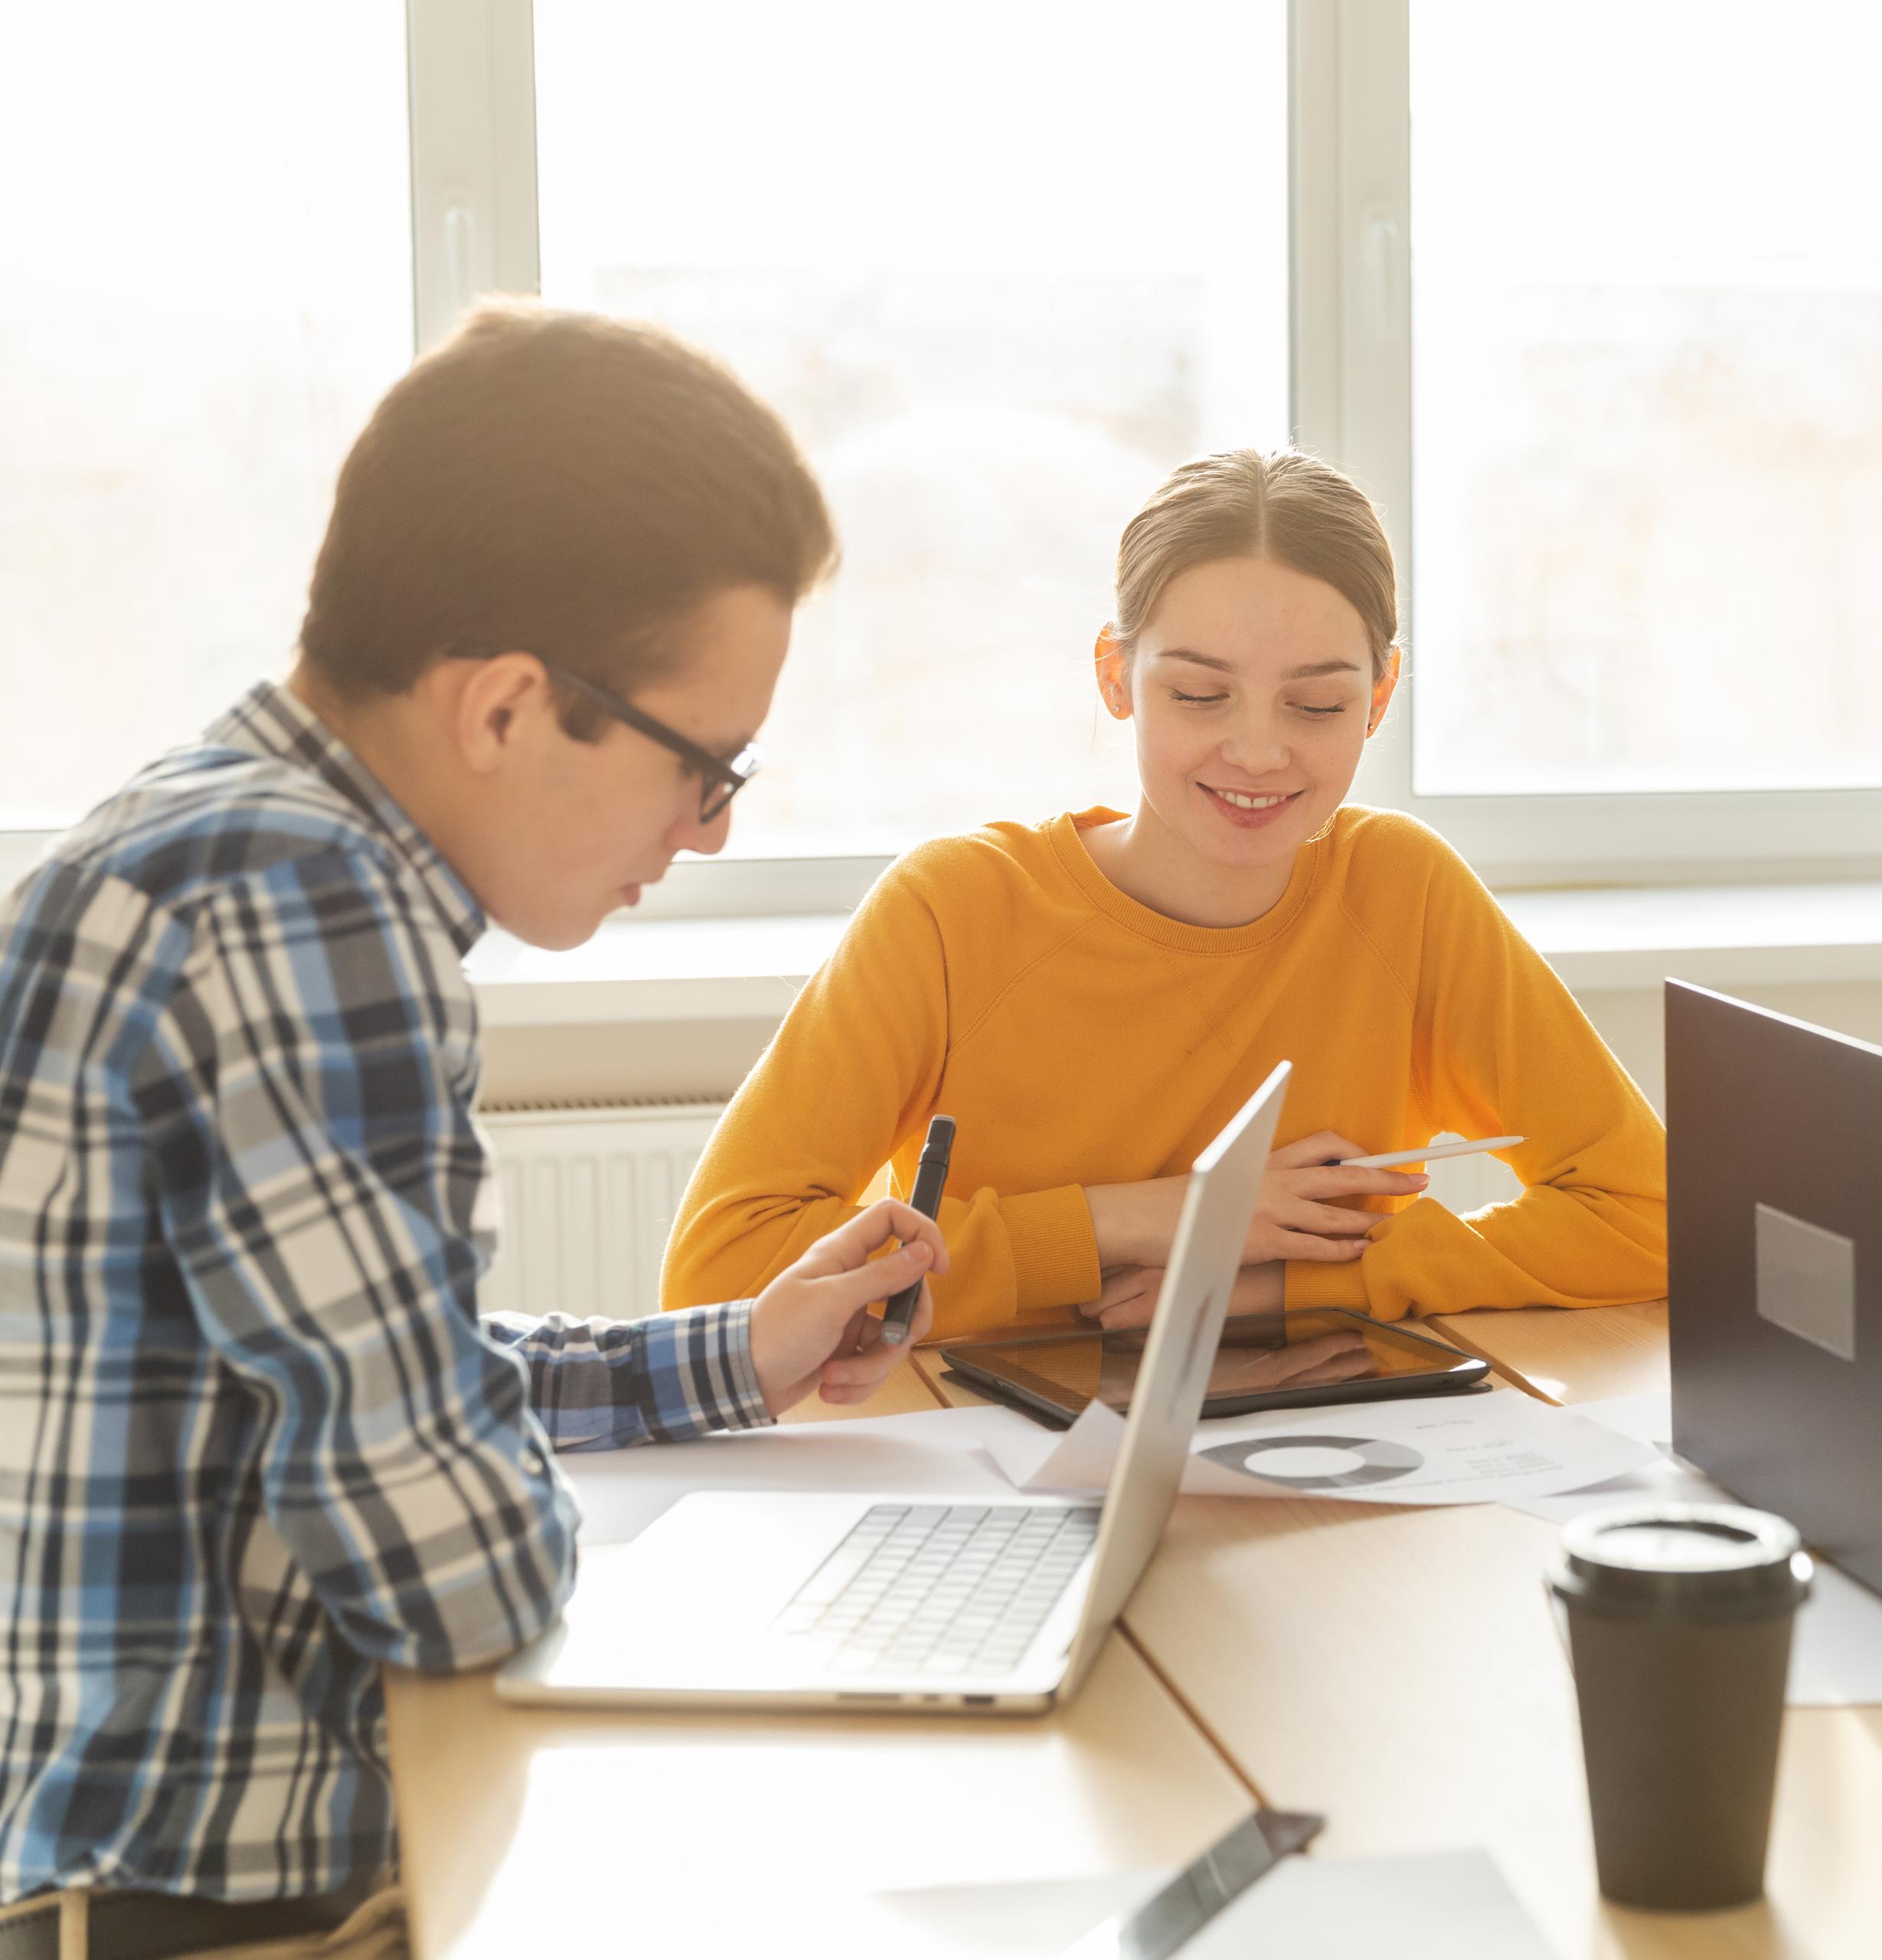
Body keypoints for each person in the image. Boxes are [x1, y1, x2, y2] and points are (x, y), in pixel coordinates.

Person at [0, 305, 950, 1958]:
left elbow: (368, 1361)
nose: (708, 834)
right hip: (229, 1902)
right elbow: (453, 1556)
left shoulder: (210, 831)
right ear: (509, 707)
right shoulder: (302, 906)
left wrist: (728, 1352)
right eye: (702, 766)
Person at [663, 449, 1665, 1339]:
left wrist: (1299, 1286)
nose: (1261, 751)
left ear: (1382, 699)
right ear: (1117, 675)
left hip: (1315, 1441)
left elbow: (1653, 1213)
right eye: (1198, 694)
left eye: (1319, 704)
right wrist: (1152, 1218)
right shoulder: (955, 911)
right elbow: (722, 1275)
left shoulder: (1402, 894)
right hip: (980, 1444)